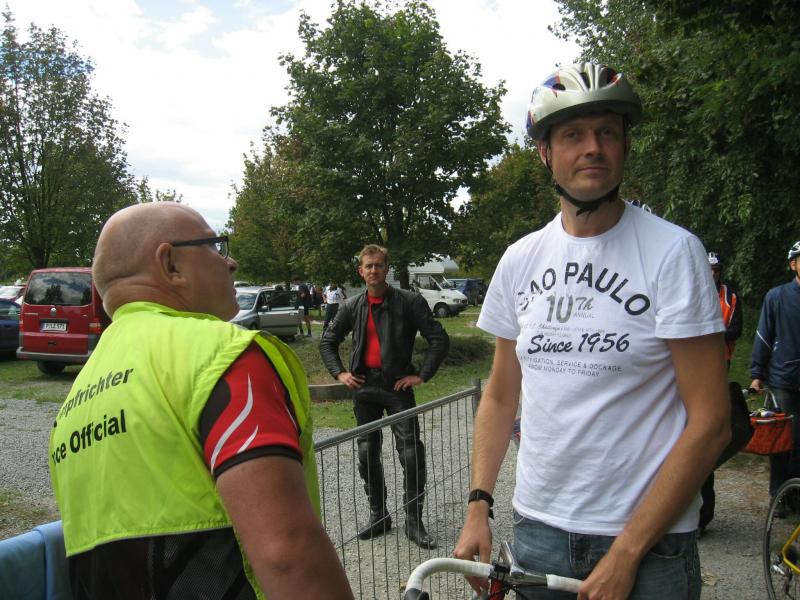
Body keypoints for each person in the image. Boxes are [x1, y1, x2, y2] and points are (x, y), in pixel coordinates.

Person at [454, 62, 730, 600]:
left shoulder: (674, 253)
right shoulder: (520, 259)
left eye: (607, 132)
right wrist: (477, 506)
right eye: (573, 135)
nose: (593, 148)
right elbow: (501, 394)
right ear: (544, 152)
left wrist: (627, 552)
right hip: (540, 528)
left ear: (625, 145)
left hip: (650, 543)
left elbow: (712, 422)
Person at [48, 203, 353, 600]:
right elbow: (287, 555)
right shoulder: (222, 355)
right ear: (170, 263)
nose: (231, 262)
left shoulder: (74, 402)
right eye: (215, 245)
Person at [319, 244, 449, 548]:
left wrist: (422, 375)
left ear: (387, 268)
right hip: (364, 388)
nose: (374, 270)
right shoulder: (351, 306)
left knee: (411, 453)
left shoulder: (410, 302)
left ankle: (413, 521)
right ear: (360, 271)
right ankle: (379, 515)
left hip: (397, 386)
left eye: (379, 265)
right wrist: (340, 373)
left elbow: (438, 338)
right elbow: (327, 342)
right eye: (369, 266)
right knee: (367, 453)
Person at [750, 240, 800, 510]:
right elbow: (763, 335)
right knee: (783, 439)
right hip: (783, 379)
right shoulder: (777, 296)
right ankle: (779, 496)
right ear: (793, 264)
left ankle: (796, 493)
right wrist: (756, 373)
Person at [699, 251, 743, 533]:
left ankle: (703, 515)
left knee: (708, 429)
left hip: (718, 363)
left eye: (716, 270)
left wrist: (709, 333)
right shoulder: (689, 289)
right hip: (688, 364)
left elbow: (736, 329)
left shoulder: (730, 297)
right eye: (708, 269)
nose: (712, 274)